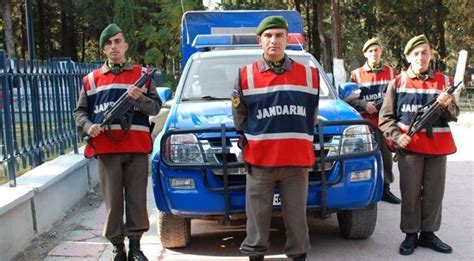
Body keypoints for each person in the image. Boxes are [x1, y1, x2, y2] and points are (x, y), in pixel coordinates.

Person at [232, 16, 319, 261]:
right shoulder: (245, 75)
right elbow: (239, 116)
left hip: (296, 162)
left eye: (279, 35)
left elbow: (312, 115)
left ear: (287, 39)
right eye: (269, 36)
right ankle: (255, 255)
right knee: (257, 221)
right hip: (260, 163)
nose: (274, 41)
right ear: (260, 41)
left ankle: (298, 255)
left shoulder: (310, 75)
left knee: (297, 219)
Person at [73, 23, 161, 261]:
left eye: (118, 41)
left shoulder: (142, 76)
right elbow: (79, 112)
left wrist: (140, 97)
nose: (114, 47)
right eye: (109, 43)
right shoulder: (91, 80)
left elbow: (155, 108)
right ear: (103, 49)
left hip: (137, 149)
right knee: (113, 201)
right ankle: (117, 247)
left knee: (136, 199)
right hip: (107, 149)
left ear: (126, 46)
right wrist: (88, 126)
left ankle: (135, 246)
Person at [379, 35, 458, 256]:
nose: (421, 57)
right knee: (410, 193)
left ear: (431, 55)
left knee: (434, 194)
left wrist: (448, 104)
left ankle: (429, 234)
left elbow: (455, 115)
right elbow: (385, 119)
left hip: (437, 147)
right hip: (410, 148)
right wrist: (396, 136)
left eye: (425, 52)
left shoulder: (444, 81)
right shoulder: (397, 82)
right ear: (407, 56)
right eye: (416, 53)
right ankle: (411, 234)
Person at [349, 38, 401, 204]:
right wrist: (364, 104)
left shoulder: (392, 73)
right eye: (370, 51)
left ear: (381, 52)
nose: (374, 54)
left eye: (376, 50)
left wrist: (385, 106)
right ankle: (362, 190)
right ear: (365, 54)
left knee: (386, 156)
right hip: (365, 123)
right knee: (363, 157)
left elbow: (400, 94)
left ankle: (385, 189)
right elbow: (349, 98)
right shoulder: (356, 74)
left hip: (385, 122)